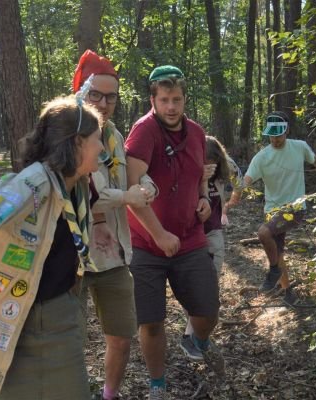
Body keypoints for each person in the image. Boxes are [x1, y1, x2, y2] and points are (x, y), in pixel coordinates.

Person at [0, 95, 104, 399]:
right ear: (77, 143)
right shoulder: (31, 185)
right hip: (4, 321)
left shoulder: (76, 185)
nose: (102, 148)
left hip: (57, 324)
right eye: (97, 139)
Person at [125, 65, 224, 399]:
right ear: (153, 100)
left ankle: (195, 340)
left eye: (176, 99)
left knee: (208, 310)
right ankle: (157, 383)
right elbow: (131, 190)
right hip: (145, 244)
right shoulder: (143, 132)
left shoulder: (196, 133)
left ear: (184, 99)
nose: (171, 107)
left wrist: (202, 199)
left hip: (190, 238)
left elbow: (199, 175)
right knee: (151, 321)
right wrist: (159, 235)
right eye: (164, 100)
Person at [72, 50, 156, 400]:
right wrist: (128, 198)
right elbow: (87, 193)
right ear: (80, 92)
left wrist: (146, 185)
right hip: (71, 256)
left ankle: (109, 395)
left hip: (115, 255)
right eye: (96, 95)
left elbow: (126, 177)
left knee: (121, 336)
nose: (104, 103)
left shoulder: (116, 135)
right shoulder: (67, 136)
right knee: (68, 339)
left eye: (111, 96)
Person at [230, 111, 316, 305]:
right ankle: (287, 291)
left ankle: (273, 273)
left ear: (287, 130)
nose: (275, 139)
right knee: (278, 252)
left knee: (264, 233)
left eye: (278, 134)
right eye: (271, 135)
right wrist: (234, 196)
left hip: (295, 208)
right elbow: (246, 180)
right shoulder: (261, 157)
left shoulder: (299, 147)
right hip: (272, 211)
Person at [179, 135, 243, 360]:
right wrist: (198, 179)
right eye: (203, 160)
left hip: (213, 235)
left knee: (209, 287)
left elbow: (238, 178)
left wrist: (227, 206)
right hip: (189, 237)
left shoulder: (221, 176)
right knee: (190, 288)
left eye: (212, 160)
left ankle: (192, 336)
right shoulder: (188, 176)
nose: (208, 165)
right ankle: (194, 334)